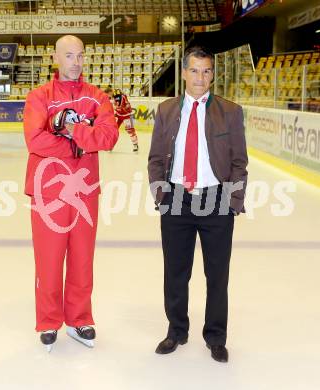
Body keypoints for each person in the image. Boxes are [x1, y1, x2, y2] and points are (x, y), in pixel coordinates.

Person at [148, 46, 248, 362]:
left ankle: (216, 336)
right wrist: (161, 196)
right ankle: (176, 331)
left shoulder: (230, 112)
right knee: (175, 272)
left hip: (217, 200)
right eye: (194, 70)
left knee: (217, 274)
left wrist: (233, 201)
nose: (200, 77)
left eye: (206, 71)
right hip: (176, 199)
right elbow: (154, 159)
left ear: (213, 74)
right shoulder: (165, 111)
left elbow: (238, 162)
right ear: (183, 73)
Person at [23, 35, 119, 351]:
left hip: (85, 190)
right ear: (55, 57)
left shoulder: (97, 98)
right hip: (48, 190)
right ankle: (48, 321)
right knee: (49, 261)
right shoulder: (39, 97)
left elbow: (108, 137)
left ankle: (79, 318)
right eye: (69, 56)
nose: (75, 62)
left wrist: (72, 131)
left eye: (80, 56)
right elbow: (36, 141)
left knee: (81, 258)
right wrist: (79, 144)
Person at [105, 87, 139, 152]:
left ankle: (135, 144)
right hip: (119, 114)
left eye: (108, 95)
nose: (108, 97)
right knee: (113, 130)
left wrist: (111, 104)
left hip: (127, 115)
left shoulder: (117, 96)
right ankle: (111, 145)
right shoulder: (115, 94)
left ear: (109, 92)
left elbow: (119, 106)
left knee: (130, 130)